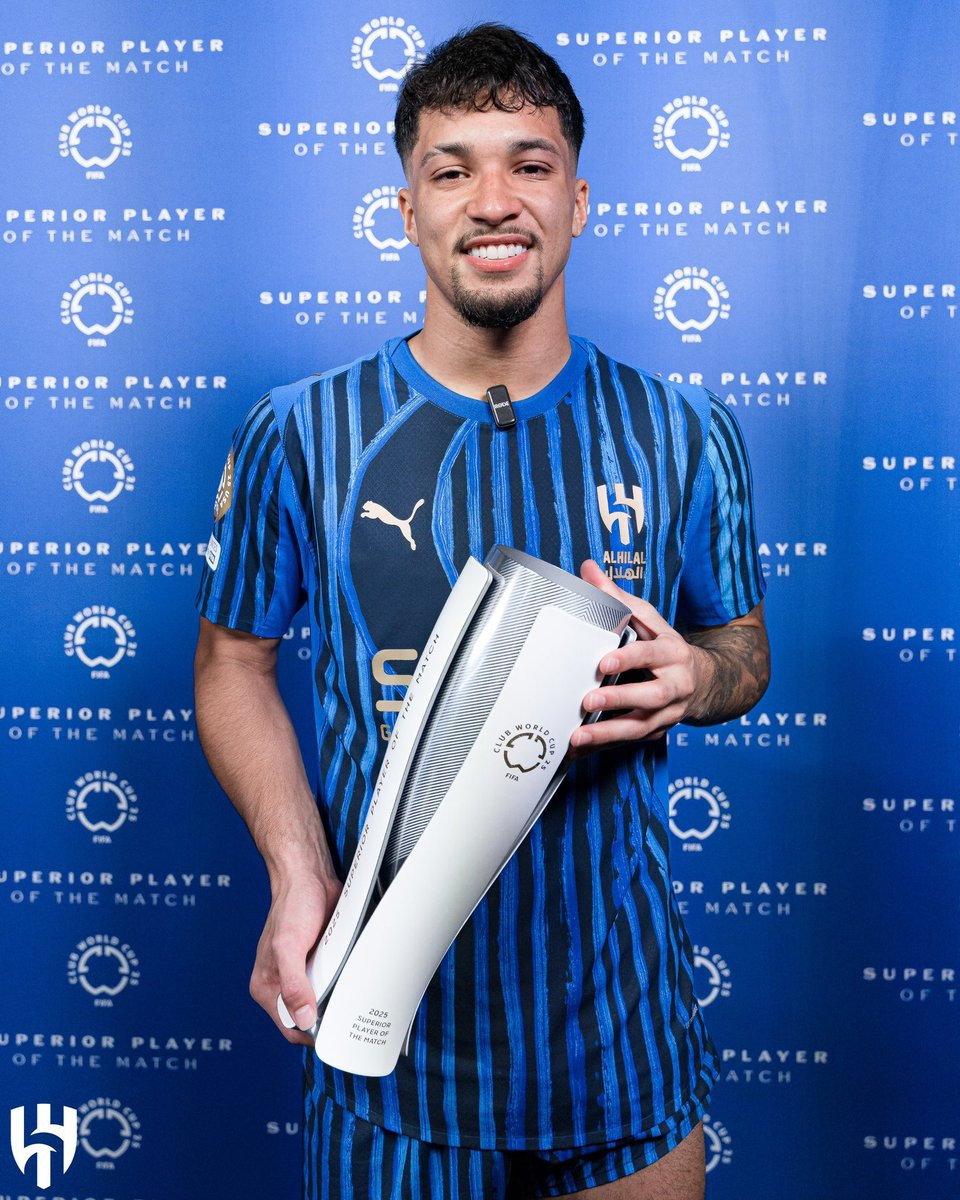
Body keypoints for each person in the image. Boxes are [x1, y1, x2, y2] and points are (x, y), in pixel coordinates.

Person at [194, 23, 769, 1200]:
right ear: (407, 210)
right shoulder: (302, 430)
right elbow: (232, 662)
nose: (494, 201)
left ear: (579, 200)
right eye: (452, 170)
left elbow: (743, 648)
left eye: (530, 164)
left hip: (622, 1043)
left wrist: (699, 679)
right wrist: (298, 871)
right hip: (387, 1045)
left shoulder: (683, 431)